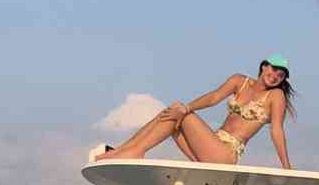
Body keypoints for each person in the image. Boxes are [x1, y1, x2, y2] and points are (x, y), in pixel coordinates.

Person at [93, 56, 295, 169]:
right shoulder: (239, 81)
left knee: (183, 113)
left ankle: (132, 152)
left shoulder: (276, 96)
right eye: (273, 70)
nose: (275, 76)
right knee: (173, 113)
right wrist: (185, 108)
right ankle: (123, 151)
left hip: (225, 155)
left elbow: (276, 130)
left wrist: (287, 168)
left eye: (280, 75)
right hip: (209, 146)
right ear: (263, 66)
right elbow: (213, 98)